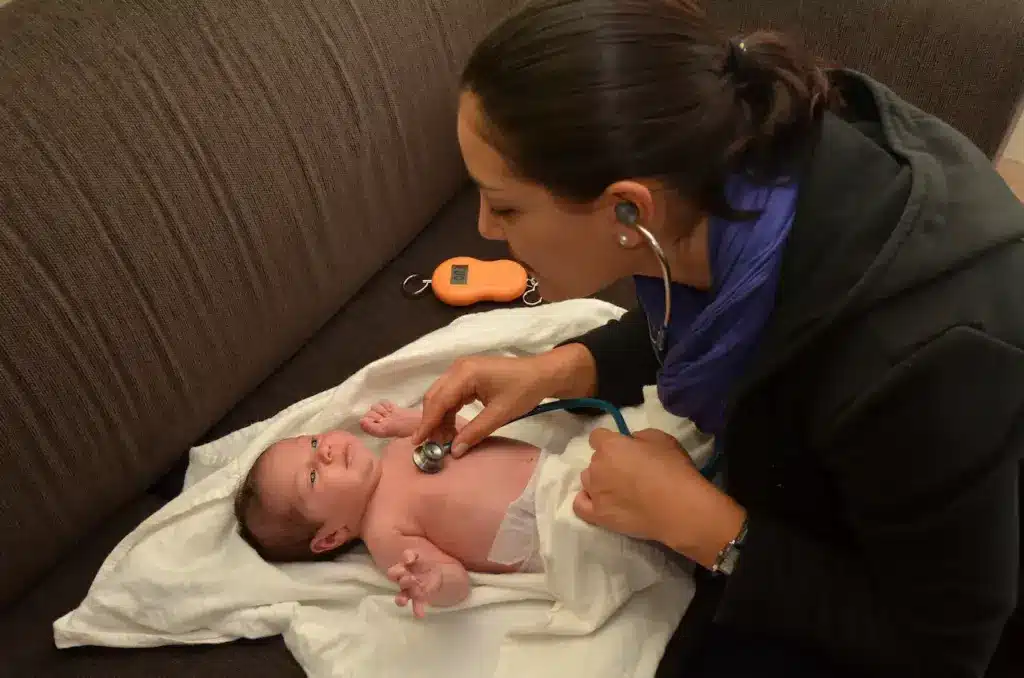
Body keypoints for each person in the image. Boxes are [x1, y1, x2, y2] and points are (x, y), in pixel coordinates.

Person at [410, 0, 1024, 676]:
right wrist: (559, 370)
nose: (485, 230)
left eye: (505, 206)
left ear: (628, 208)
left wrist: (711, 531)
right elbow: (705, 315)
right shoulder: (734, 177)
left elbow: (943, 646)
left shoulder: (917, 363)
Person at [234, 400, 547, 617]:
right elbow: (457, 584)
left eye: (313, 443)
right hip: (548, 530)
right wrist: (432, 581)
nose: (325, 451)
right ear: (331, 537)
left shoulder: (399, 445)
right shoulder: (384, 533)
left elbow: (465, 434)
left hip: (558, 465)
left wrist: (413, 420)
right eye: (312, 476)